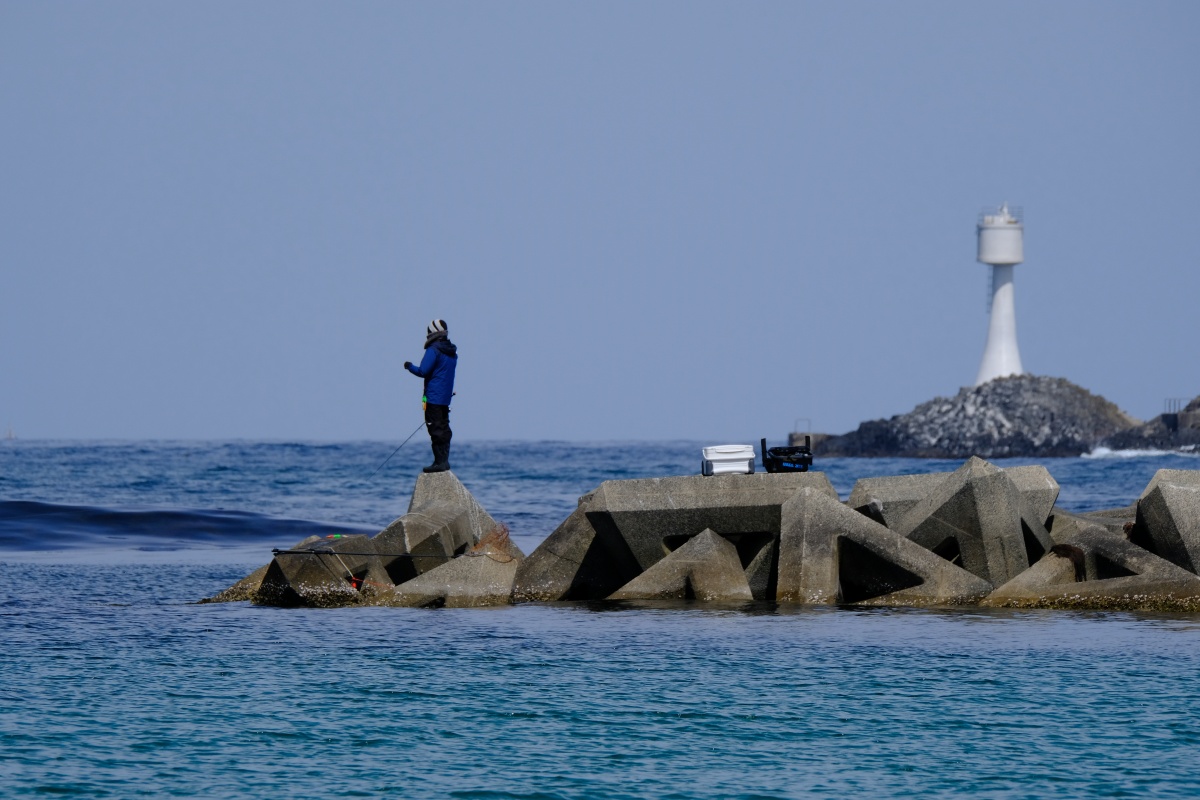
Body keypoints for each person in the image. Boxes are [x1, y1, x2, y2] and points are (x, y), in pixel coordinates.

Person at [404, 319, 458, 473]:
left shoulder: (433, 350)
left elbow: (423, 371)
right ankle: (444, 461)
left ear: (432, 333)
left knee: (434, 428)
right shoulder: (452, 352)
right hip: (445, 398)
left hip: (433, 397)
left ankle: (438, 462)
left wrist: (409, 366)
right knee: (444, 427)